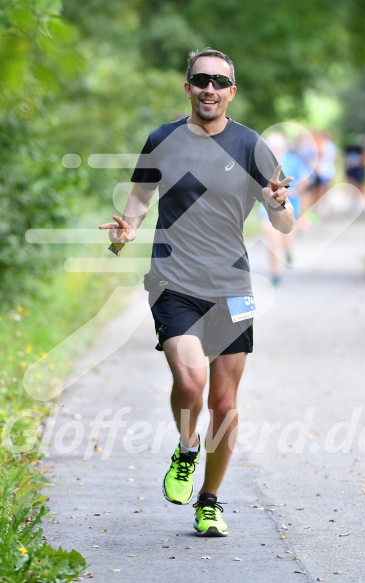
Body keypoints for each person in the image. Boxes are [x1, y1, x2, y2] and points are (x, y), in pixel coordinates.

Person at [99, 48, 294, 537]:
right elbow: (140, 200)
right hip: (174, 281)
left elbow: (285, 223)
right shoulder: (163, 140)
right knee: (190, 383)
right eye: (200, 79)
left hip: (232, 287)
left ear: (232, 91)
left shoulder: (251, 146)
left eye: (219, 82)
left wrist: (278, 205)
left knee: (225, 406)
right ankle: (186, 452)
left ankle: (209, 501)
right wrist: (124, 233)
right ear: (187, 86)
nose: (210, 88)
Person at [259, 132, 308, 285]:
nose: (275, 149)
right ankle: (275, 273)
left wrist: (293, 191)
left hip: (290, 204)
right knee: (272, 240)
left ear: (284, 146)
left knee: (286, 238)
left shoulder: (294, 161)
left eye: (277, 146)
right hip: (267, 205)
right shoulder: (262, 162)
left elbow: (305, 181)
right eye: (271, 146)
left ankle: (287, 251)